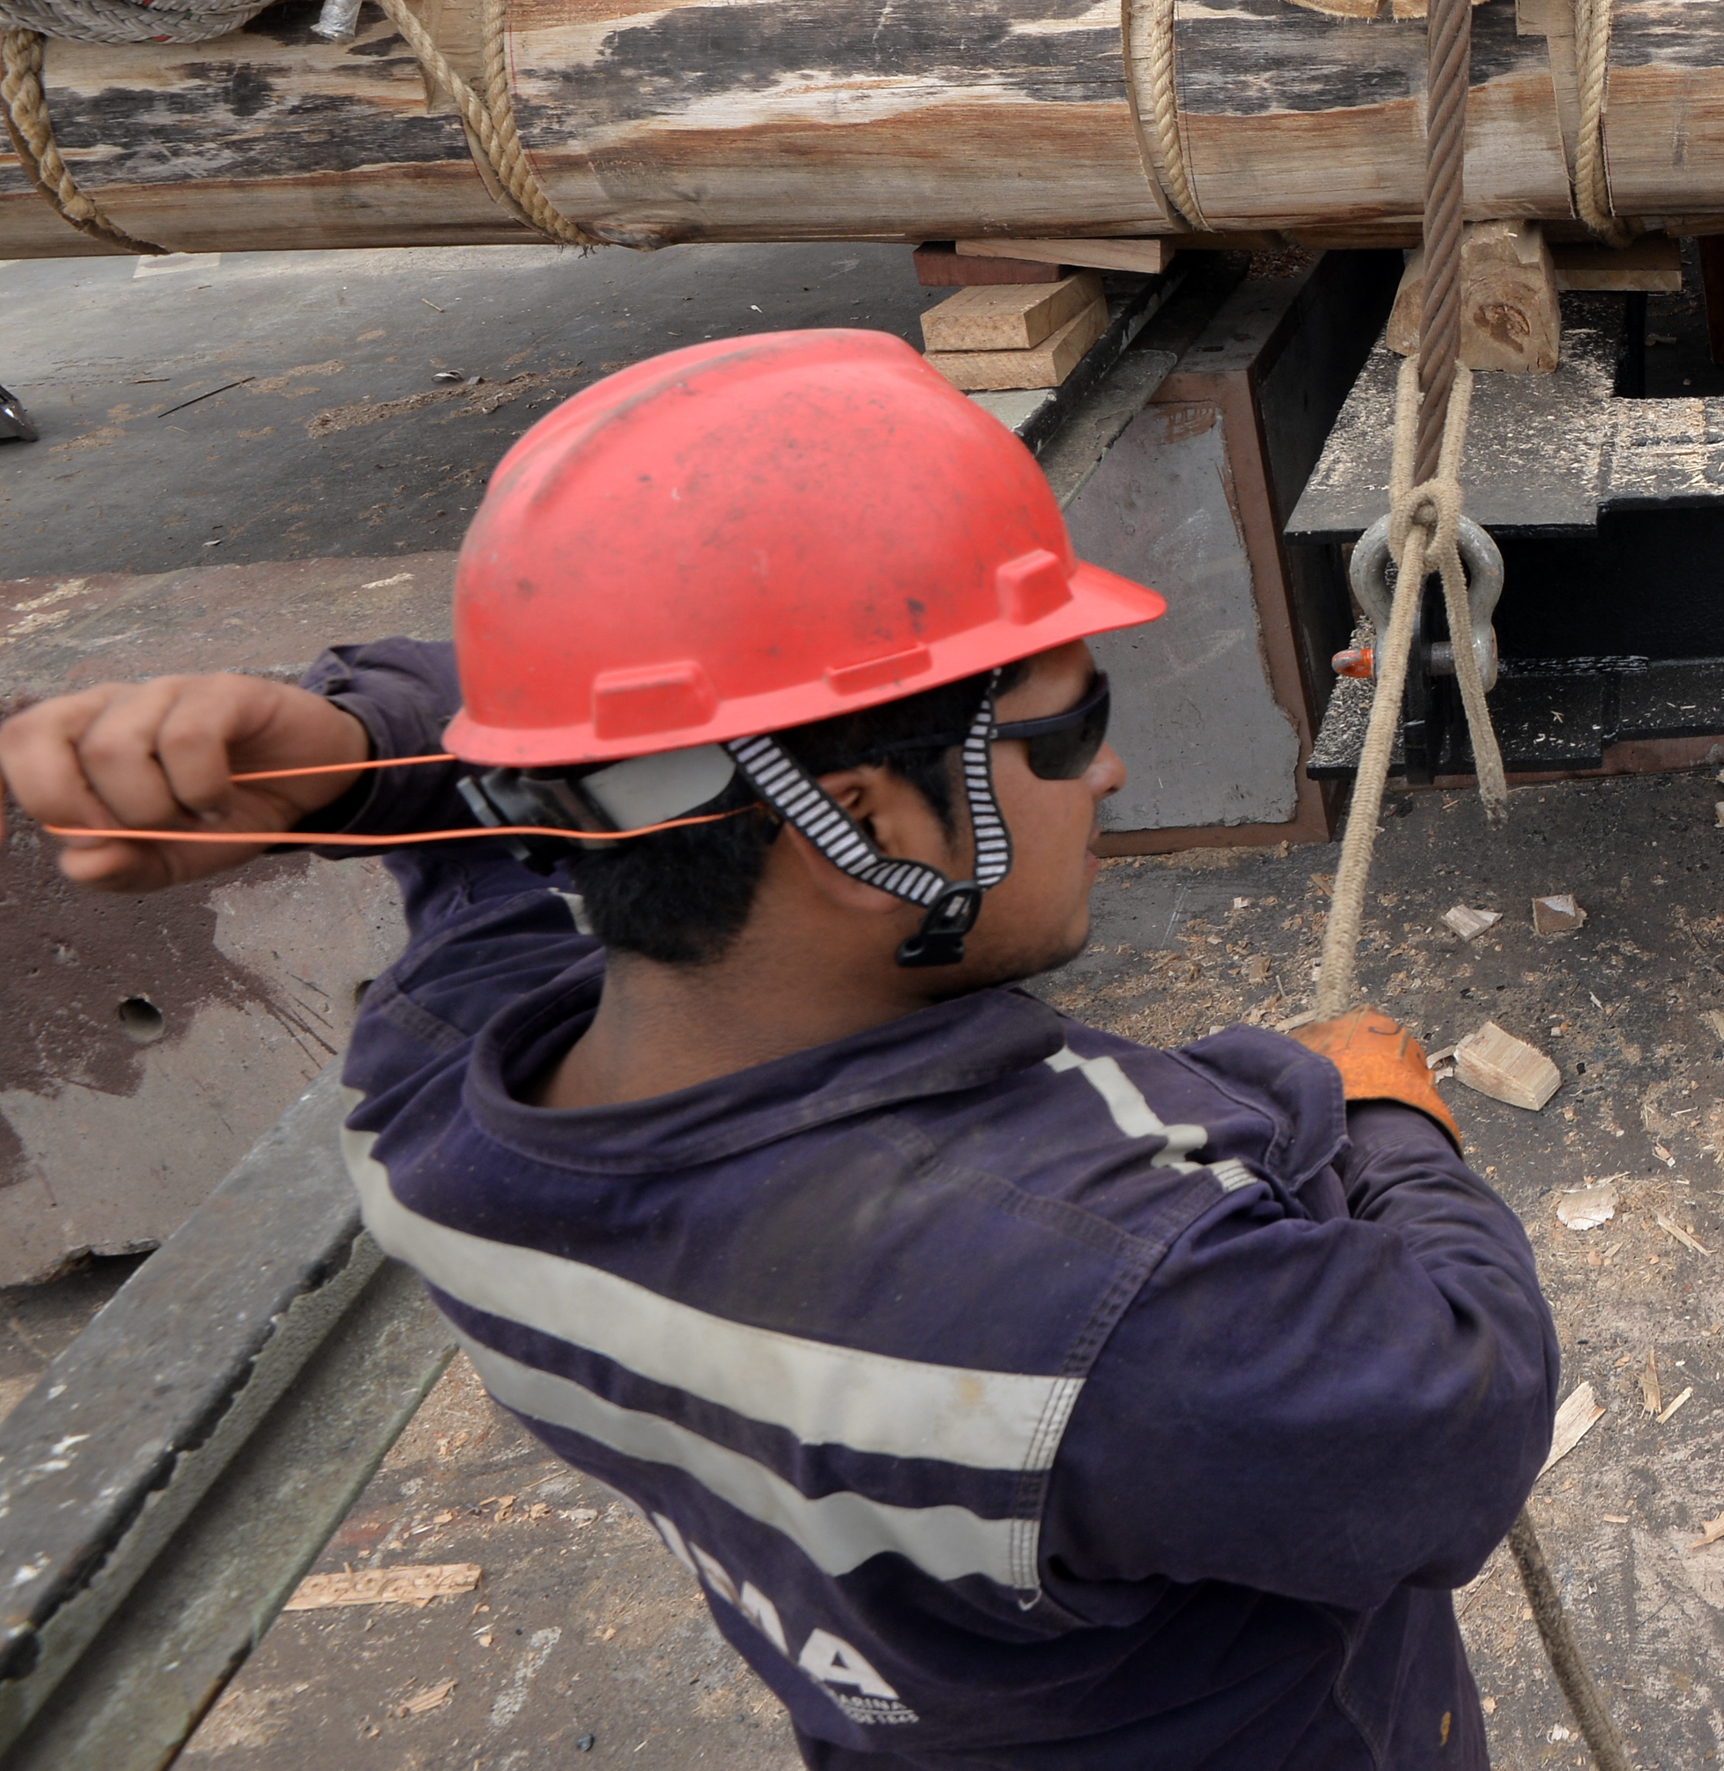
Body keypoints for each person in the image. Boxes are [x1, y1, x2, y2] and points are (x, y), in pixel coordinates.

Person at [0, 328, 1558, 1768]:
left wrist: (353, 758)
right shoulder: (1111, 1300)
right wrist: (1374, 1117)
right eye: (1068, 729)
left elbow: (518, 788)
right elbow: (1457, 1420)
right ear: (862, 819)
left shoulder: (437, 1088)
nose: (1113, 769)